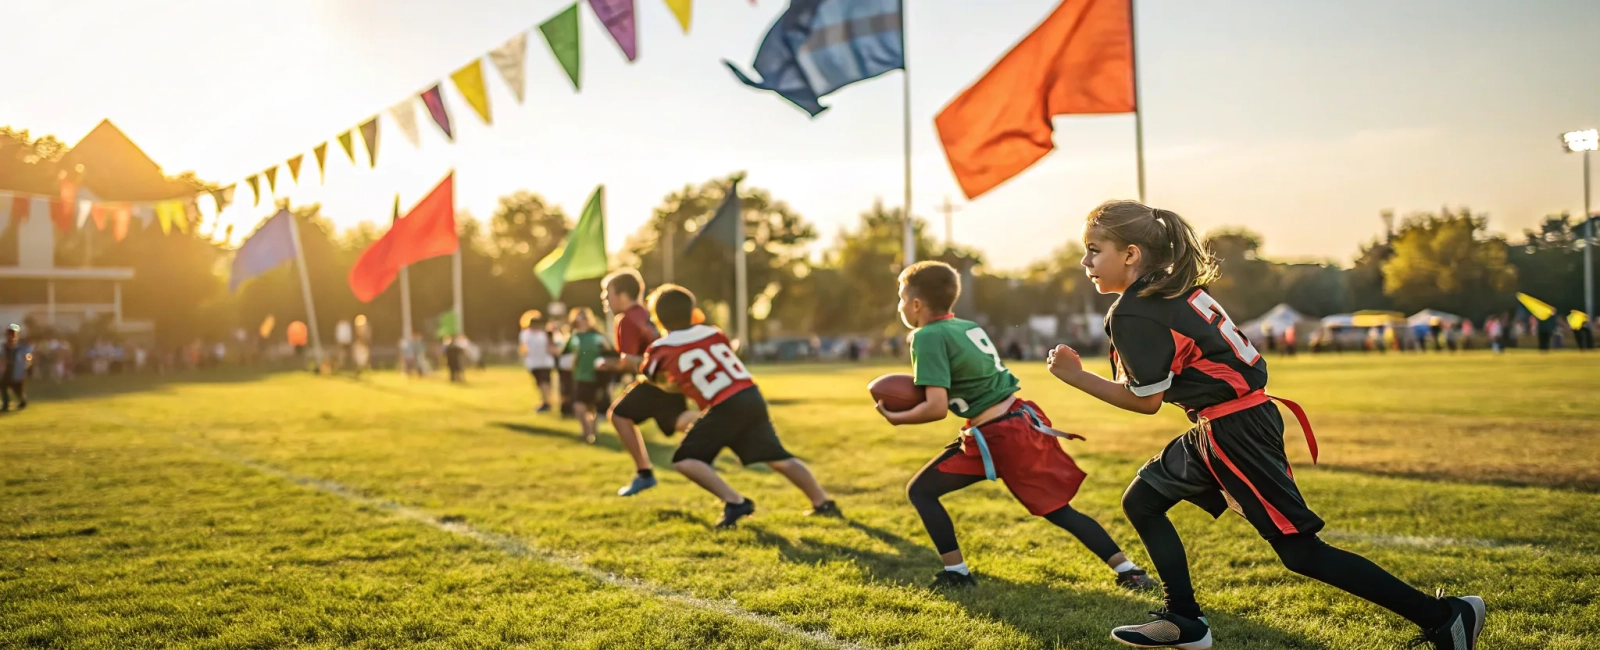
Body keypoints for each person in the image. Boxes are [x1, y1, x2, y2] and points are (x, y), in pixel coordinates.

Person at [1045, 201, 1484, 650]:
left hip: (1235, 428)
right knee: (1142, 501)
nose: (1085, 262)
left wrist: (1076, 377)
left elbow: (1147, 402)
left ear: (1131, 254)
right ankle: (1184, 620)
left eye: (1094, 250)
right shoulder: (1170, 290)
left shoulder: (1136, 309)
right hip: (1228, 420)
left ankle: (1446, 616)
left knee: (1301, 553)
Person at [877, 262, 1155, 592]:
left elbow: (936, 407)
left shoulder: (926, 336)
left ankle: (959, 573)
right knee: (1056, 509)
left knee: (924, 491)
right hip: (1012, 422)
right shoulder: (967, 326)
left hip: (999, 436)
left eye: (901, 298)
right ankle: (1128, 569)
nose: (900, 306)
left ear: (916, 304)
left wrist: (898, 417)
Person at [640, 284, 838, 528]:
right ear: (692, 311)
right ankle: (823, 502)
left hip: (724, 404)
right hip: (750, 394)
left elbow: (651, 376)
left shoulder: (660, 348)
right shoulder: (713, 333)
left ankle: (736, 502)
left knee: (686, 460)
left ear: (658, 317)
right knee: (778, 457)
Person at [598, 269, 697, 497]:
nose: (606, 299)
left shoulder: (625, 319)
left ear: (622, 295)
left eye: (608, 293)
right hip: (669, 380)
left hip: (654, 381)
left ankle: (644, 473)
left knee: (619, 415)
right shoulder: (647, 314)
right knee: (680, 421)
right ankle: (726, 427)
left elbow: (629, 362)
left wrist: (605, 364)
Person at [561, 307, 609, 444]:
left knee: (593, 406)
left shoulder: (598, 337)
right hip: (580, 376)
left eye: (584, 318)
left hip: (597, 377)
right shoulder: (574, 338)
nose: (582, 321)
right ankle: (586, 431)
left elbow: (609, 353)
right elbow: (563, 354)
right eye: (579, 318)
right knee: (578, 406)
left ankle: (593, 432)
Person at [519, 311, 556, 412]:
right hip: (535, 363)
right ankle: (546, 401)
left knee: (544, 383)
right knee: (541, 383)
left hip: (543, 362)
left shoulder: (544, 334)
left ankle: (547, 402)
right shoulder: (527, 334)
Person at [2, 325, 31, 411]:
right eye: (9, 333)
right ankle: (5, 405)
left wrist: (26, 364)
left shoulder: (21, 347)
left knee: (17, 389)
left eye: (12, 333)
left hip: (17, 371)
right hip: (6, 371)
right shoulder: (4, 346)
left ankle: (23, 402)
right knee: (3, 386)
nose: (10, 335)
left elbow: (28, 357)